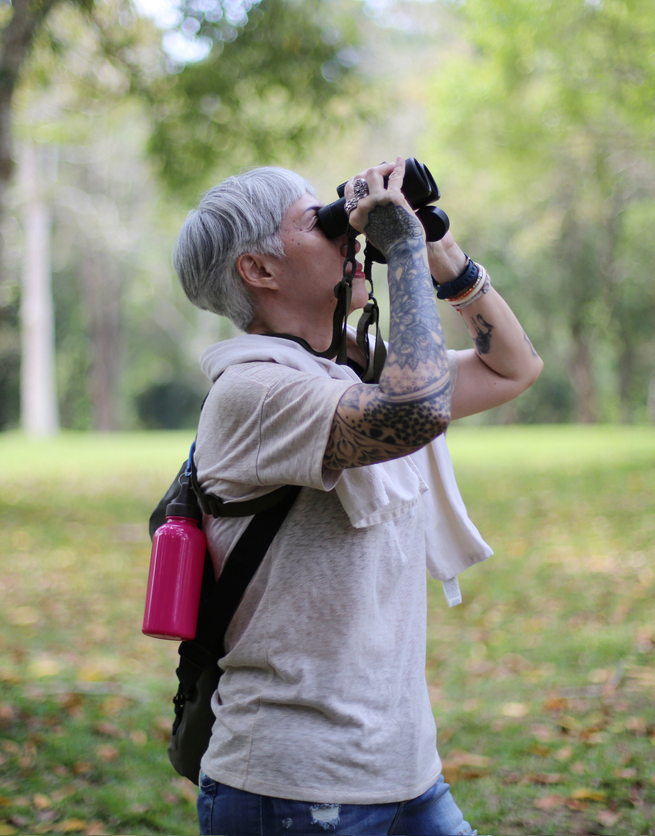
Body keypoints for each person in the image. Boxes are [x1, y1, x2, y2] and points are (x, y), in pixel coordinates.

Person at [172, 158, 542, 836]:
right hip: (293, 790)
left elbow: (513, 368)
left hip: (408, 774)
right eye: (318, 221)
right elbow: (415, 411)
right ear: (259, 269)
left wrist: (440, 249)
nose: (346, 230)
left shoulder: (354, 366)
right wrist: (400, 250)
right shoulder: (254, 392)